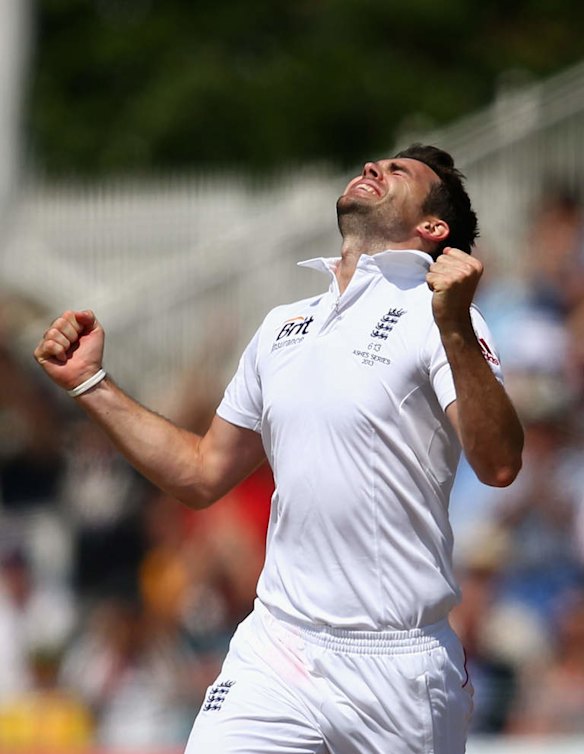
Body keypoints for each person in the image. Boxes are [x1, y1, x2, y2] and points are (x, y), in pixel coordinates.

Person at [34, 144, 524, 754]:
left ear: (432, 228)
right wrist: (90, 383)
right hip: (278, 644)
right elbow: (201, 473)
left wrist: (453, 324)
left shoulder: (443, 319)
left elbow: (500, 464)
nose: (374, 167)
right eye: (376, 163)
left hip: (397, 663)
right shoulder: (282, 327)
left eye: (399, 172)